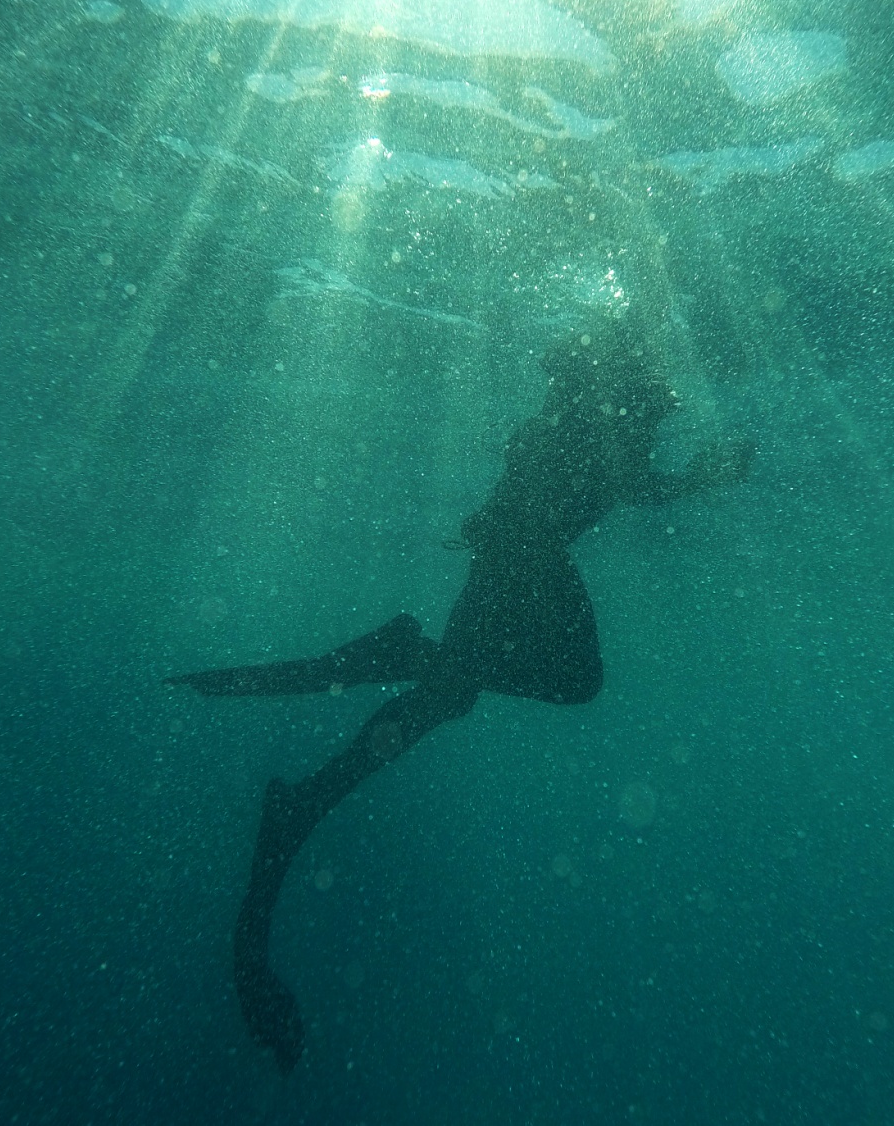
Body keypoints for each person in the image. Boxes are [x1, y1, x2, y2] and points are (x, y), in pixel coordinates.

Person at [167, 319, 752, 1073]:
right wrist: (694, 479)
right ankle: (385, 684)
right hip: (524, 551)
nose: (673, 402)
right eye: (667, 389)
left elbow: (574, 470)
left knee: (448, 694)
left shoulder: (600, 401)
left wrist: (683, 479)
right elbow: (593, 474)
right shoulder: (615, 400)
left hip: (513, 549)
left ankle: (309, 797)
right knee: (566, 681)